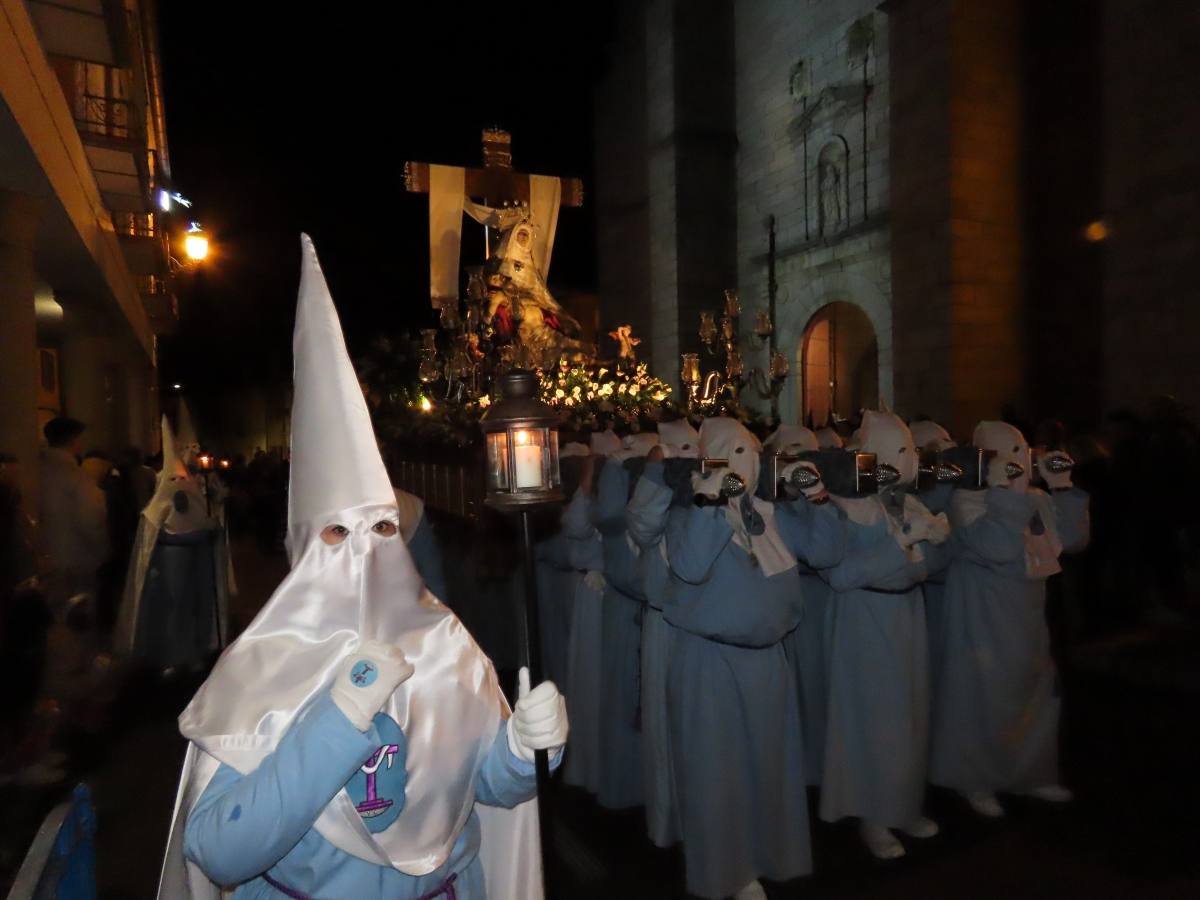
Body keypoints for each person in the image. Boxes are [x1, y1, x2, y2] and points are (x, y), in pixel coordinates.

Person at [158, 236, 567, 899]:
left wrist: (523, 750)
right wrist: (338, 719)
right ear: (299, 549)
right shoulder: (262, 668)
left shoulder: (447, 646)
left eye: (381, 530)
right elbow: (220, 852)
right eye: (335, 533)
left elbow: (481, 788)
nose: (362, 552)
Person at [661, 418, 844, 900]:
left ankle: (768, 855)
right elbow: (691, 567)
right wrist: (708, 500)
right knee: (717, 772)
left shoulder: (769, 514)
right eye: (731, 454)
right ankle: (725, 871)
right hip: (711, 662)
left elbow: (828, 551)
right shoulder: (688, 513)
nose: (745, 466)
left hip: (770, 659)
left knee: (768, 769)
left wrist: (817, 496)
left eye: (750, 454)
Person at [928, 421, 1090, 818]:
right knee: (982, 696)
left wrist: (1063, 489)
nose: (1018, 462)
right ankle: (975, 779)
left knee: (1032, 689)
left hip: (1027, 613)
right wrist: (1007, 496)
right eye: (1007, 454)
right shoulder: (967, 501)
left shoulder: (1031, 497)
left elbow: (1071, 541)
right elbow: (997, 548)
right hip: (981, 614)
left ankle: (1030, 773)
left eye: (1021, 451)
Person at [819, 410, 950, 860]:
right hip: (866, 620)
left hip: (907, 617)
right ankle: (873, 814)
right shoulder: (850, 505)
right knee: (873, 717)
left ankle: (903, 804)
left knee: (910, 712)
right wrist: (902, 544)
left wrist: (933, 540)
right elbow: (840, 575)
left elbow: (926, 566)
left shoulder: (906, 501)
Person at [624, 417, 700, 847]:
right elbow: (643, 524)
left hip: (701, 627)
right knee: (665, 724)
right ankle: (669, 822)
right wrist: (656, 475)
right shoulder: (650, 495)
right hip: (667, 625)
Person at [115, 417, 228, 674]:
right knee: (172, 610)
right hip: (170, 565)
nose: (179, 483)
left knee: (197, 606)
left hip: (197, 563)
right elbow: (151, 538)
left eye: (182, 477)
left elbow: (212, 522)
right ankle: (171, 655)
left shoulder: (200, 495)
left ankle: (197, 651)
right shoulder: (158, 506)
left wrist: (211, 530)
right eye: (173, 478)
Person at [590, 430, 658, 810]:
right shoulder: (616, 527)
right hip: (624, 617)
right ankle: (625, 787)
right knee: (623, 698)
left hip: (649, 619)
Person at [38, 417, 109, 621]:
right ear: (74, 441)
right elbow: (91, 521)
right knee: (78, 621)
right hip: (77, 559)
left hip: (46, 560)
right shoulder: (76, 476)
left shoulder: (36, 470)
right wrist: (103, 552)